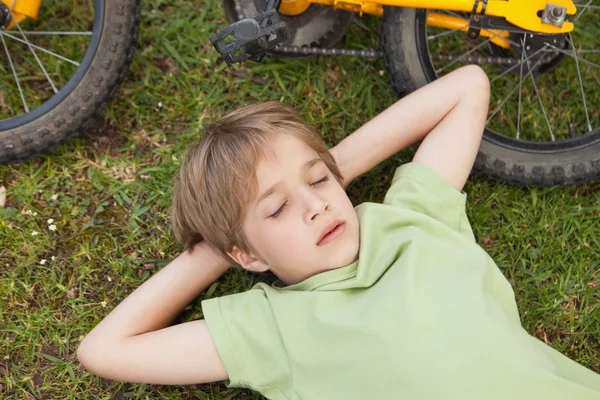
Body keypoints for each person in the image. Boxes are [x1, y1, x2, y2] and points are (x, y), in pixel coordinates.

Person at [77, 65, 600, 399]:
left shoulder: (413, 219)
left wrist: (325, 171)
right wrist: (219, 250)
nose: (315, 206)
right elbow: (104, 349)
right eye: (277, 208)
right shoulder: (272, 329)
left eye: (321, 181)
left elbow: (468, 86)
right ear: (246, 253)